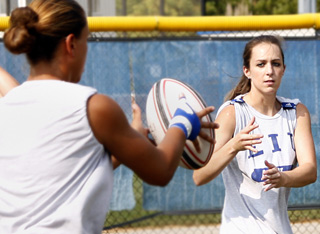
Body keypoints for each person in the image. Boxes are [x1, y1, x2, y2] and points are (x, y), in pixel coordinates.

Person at [0, 0, 217, 233]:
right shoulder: (92, 107)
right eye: (87, 39)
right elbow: (160, 170)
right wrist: (182, 120)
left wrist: (130, 142)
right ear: (71, 43)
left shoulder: (8, 106)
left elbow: (67, 175)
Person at [193, 35, 317, 234]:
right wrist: (234, 146)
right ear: (247, 71)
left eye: (276, 64)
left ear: (283, 70)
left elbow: (310, 171)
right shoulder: (233, 113)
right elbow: (199, 175)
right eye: (261, 64)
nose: (269, 71)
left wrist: (284, 177)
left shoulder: (296, 112)